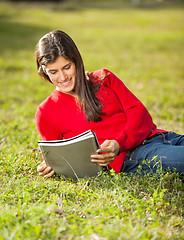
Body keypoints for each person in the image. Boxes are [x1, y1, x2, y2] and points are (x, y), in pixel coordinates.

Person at [35, 30, 184, 178]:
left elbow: (139, 113)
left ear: (76, 61)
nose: (62, 77)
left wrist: (119, 143)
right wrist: (47, 166)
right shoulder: (46, 111)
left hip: (160, 136)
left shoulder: (104, 78)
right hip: (134, 156)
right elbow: (55, 155)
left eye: (67, 67)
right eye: (53, 72)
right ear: (44, 72)